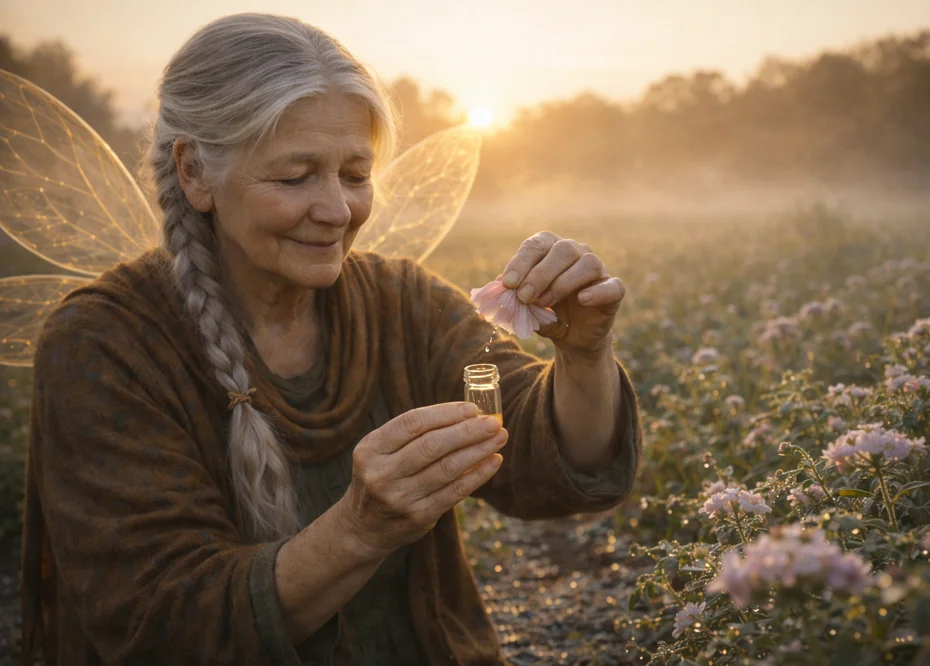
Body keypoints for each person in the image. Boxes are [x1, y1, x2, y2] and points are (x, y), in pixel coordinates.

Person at [19, 13, 642, 666]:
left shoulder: (401, 302)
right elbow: (161, 625)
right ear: (195, 172)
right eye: (295, 177)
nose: (338, 211)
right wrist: (359, 530)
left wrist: (583, 355)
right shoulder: (104, 345)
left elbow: (548, 460)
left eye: (354, 174)